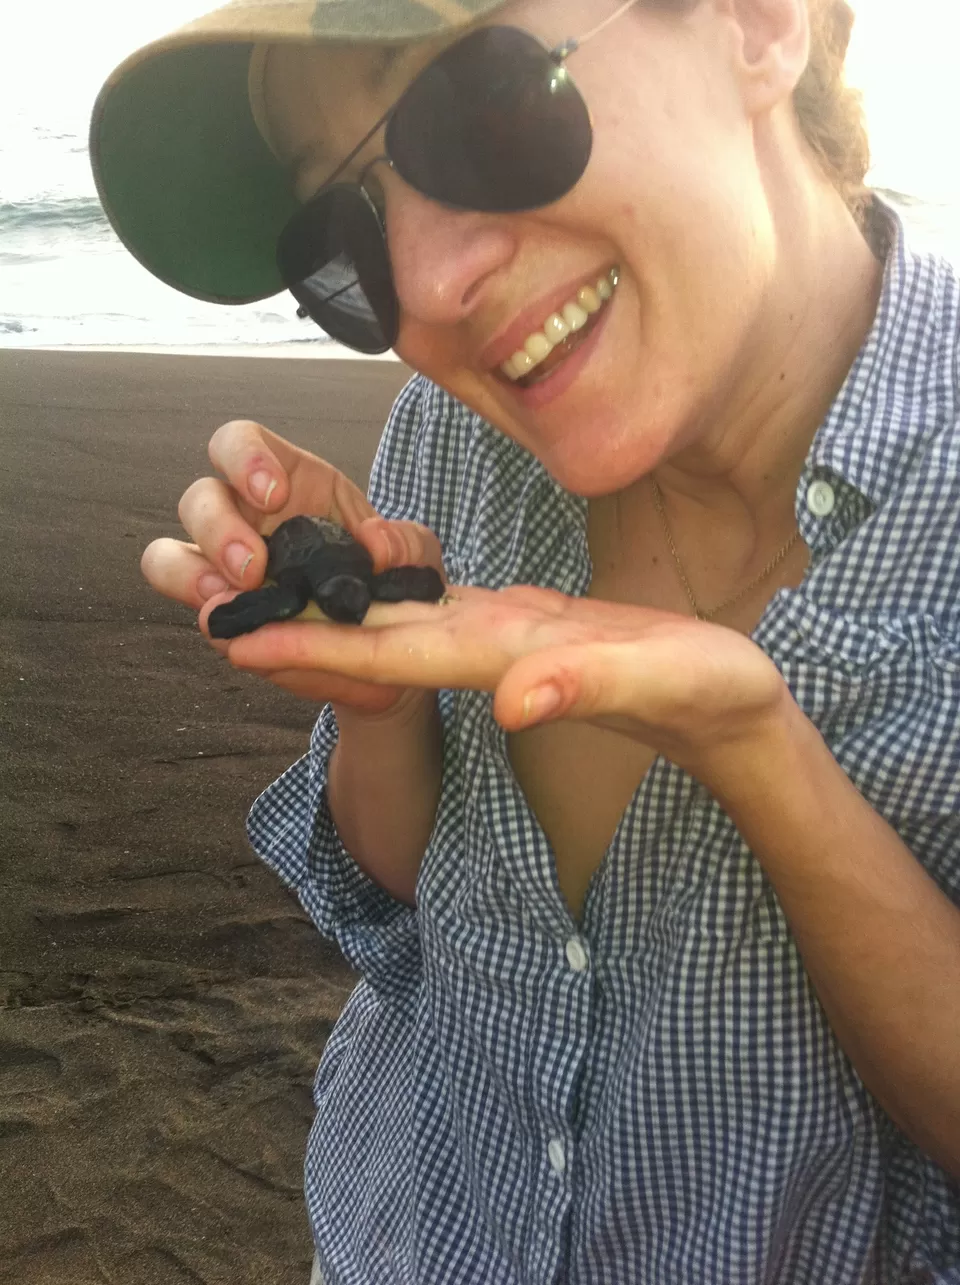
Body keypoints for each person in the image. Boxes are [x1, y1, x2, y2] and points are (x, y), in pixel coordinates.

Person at [90, 0, 960, 1280]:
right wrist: (376, 702)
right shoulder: (457, 444)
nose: (430, 287)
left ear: (760, 23)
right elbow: (414, 886)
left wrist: (758, 751)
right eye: (351, 228)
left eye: (477, 105)